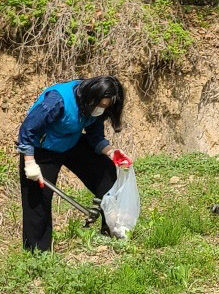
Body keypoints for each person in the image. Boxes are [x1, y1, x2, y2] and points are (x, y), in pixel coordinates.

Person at [17, 76, 133, 251]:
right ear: (90, 98)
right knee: (37, 200)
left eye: (106, 107)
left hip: (71, 142)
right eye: (100, 105)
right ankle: (37, 254)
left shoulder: (97, 108)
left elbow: (95, 136)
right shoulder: (57, 101)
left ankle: (111, 231)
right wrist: (29, 162)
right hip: (42, 147)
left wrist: (111, 152)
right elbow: (28, 129)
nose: (101, 110)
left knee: (108, 174)